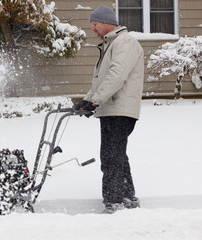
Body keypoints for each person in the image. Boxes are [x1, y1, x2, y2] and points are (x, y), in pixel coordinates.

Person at [73, 6, 144, 214]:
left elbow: (116, 76)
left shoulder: (125, 42)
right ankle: (127, 197)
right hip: (111, 107)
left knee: (111, 155)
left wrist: (94, 101)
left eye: (95, 24)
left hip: (119, 108)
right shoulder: (111, 44)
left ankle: (114, 202)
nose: (93, 29)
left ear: (106, 22)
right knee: (117, 154)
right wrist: (86, 101)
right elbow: (101, 81)